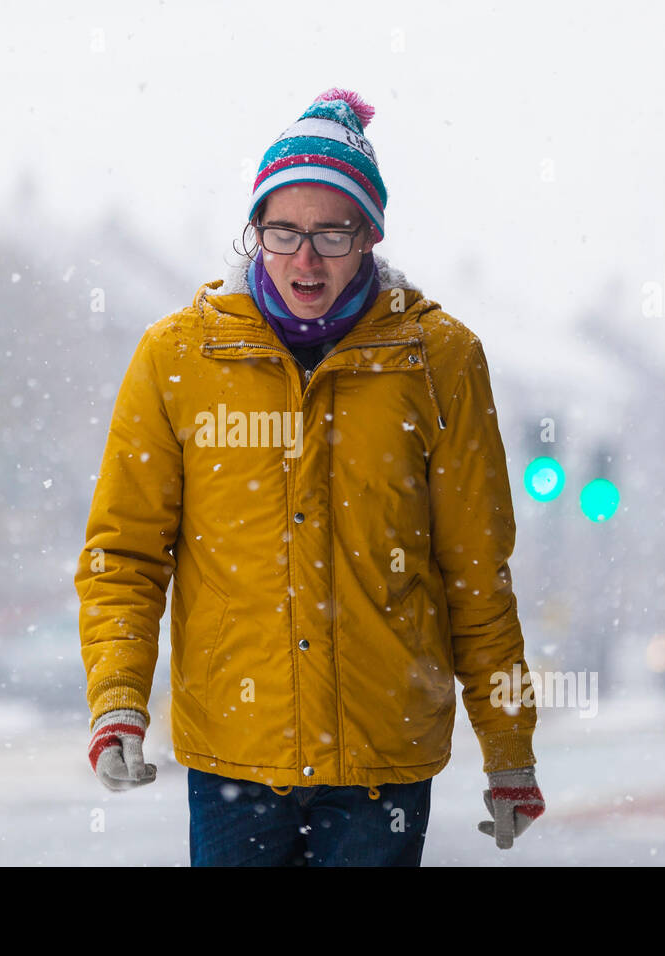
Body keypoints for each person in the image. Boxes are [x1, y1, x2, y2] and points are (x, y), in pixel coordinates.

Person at [76, 88, 544, 866]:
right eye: (283, 230)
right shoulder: (179, 358)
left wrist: (511, 749)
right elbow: (122, 555)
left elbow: (476, 576)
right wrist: (118, 700)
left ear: (370, 235)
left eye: (331, 233)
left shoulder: (439, 360)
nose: (304, 258)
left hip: (382, 763)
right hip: (235, 756)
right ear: (253, 231)